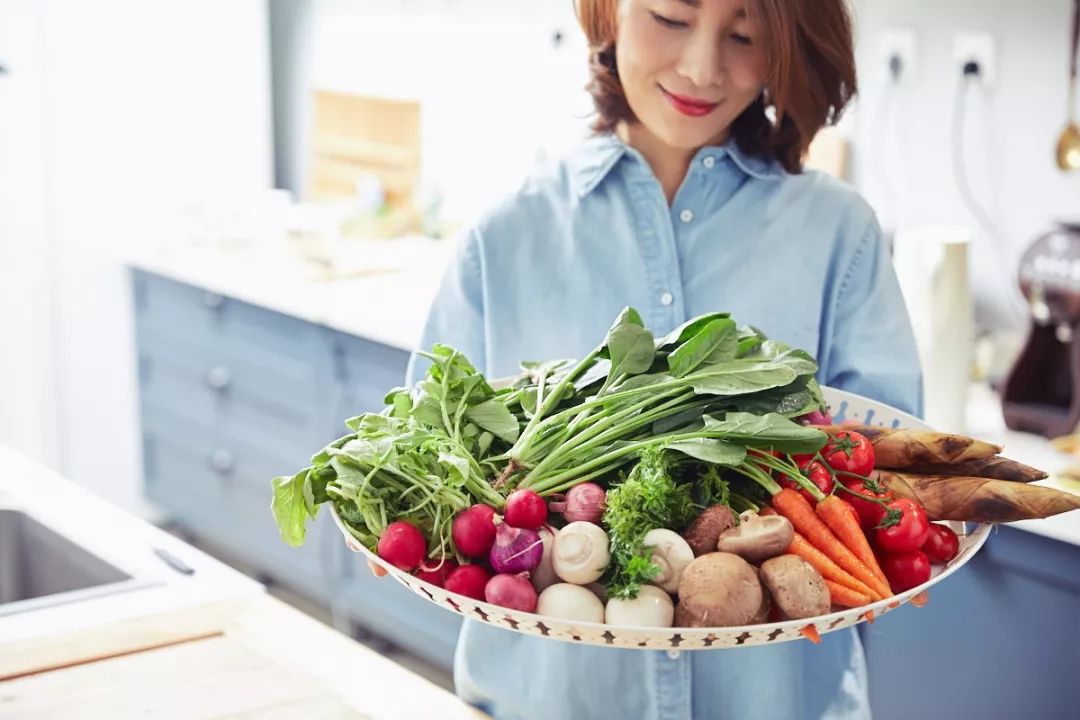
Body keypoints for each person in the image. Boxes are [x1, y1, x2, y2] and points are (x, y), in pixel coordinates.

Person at [401, 1, 923, 718]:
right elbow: (431, 474)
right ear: (607, 10)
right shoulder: (505, 238)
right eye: (671, 16)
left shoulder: (838, 234)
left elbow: (889, 482)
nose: (702, 68)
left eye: (745, 34)